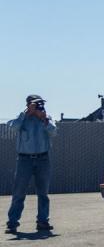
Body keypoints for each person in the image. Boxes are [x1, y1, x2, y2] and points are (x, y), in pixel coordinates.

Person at [6, 95, 57, 234]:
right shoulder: (22, 118)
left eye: (41, 104)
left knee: (43, 193)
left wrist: (44, 119)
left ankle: (43, 222)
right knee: (19, 192)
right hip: (24, 160)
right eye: (36, 104)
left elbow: (53, 132)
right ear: (29, 104)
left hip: (43, 159)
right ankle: (12, 223)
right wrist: (26, 114)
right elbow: (13, 128)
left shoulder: (46, 117)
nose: (39, 106)